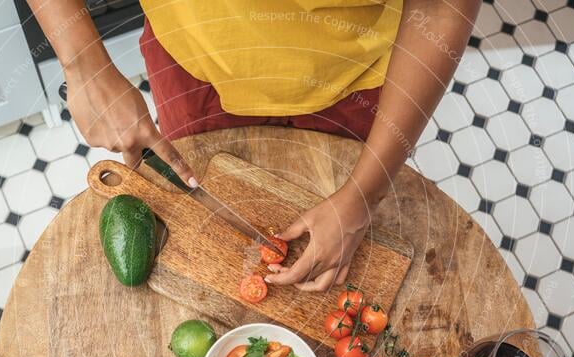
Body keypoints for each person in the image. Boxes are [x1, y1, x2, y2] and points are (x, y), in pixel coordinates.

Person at [28, 0, 480, 291]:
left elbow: (441, 8)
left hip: (355, 78)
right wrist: (83, 61)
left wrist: (364, 194)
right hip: (196, 60)